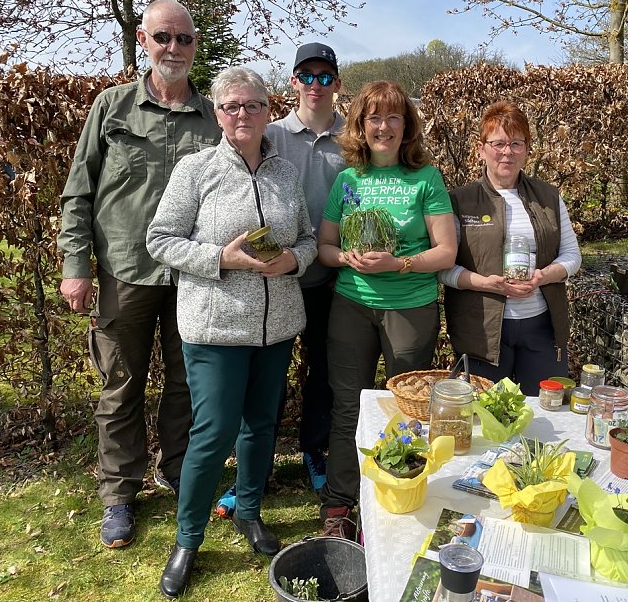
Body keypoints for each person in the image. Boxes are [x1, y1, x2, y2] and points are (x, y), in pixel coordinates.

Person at [146, 66, 316, 599]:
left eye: (253, 105)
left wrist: (291, 259)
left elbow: (309, 238)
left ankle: (248, 511)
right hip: (215, 328)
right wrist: (220, 256)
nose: (243, 115)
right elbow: (159, 239)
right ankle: (188, 538)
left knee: (261, 425)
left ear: (270, 110)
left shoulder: (286, 173)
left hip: (276, 327)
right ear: (217, 114)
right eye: (231, 106)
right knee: (213, 433)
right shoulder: (196, 171)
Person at [57, 0, 221, 549]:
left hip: (193, 278)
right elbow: (79, 191)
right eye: (162, 38)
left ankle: (175, 473)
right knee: (121, 386)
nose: (173, 48)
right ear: (143, 42)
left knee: (188, 385)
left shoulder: (213, 116)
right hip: (124, 272)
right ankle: (119, 496)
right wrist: (76, 266)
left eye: (183, 39)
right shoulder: (113, 107)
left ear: (194, 46)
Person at [316, 81, 457, 539]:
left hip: (410, 310)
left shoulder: (426, 178)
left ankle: (399, 496)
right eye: (374, 117)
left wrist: (398, 264)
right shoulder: (347, 180)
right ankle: (340, 505)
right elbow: (324, 247)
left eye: (394, 117)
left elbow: (447, 252)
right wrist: (346, 259)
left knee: (406, 409)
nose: (384, 126)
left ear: (406, 126)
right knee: (347, 407)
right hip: (351, 306)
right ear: (360, 125)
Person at [214, 43, 344, 517]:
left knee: (324, 378)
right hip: (273, 282)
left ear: (336, 82)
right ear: (292, 82)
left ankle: (314, 449)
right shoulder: (268, 132)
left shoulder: (353, 139)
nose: (315, 84)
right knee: (262, 384)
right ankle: (256, 470)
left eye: (324, 76)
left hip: (331, 278)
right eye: (306, 75)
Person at [439, 101, 581, 396]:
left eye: (517, 143)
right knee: (482, 416)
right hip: (482, 332)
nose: (507, 152)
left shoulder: (548, 197)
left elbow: (572, 256)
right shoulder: (460, 201)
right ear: (481, 149)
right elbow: (444, 267)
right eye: (498, 143)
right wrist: (484, 283)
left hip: (541, 329)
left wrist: (543, 276)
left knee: (546, 412)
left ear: (527, 149)